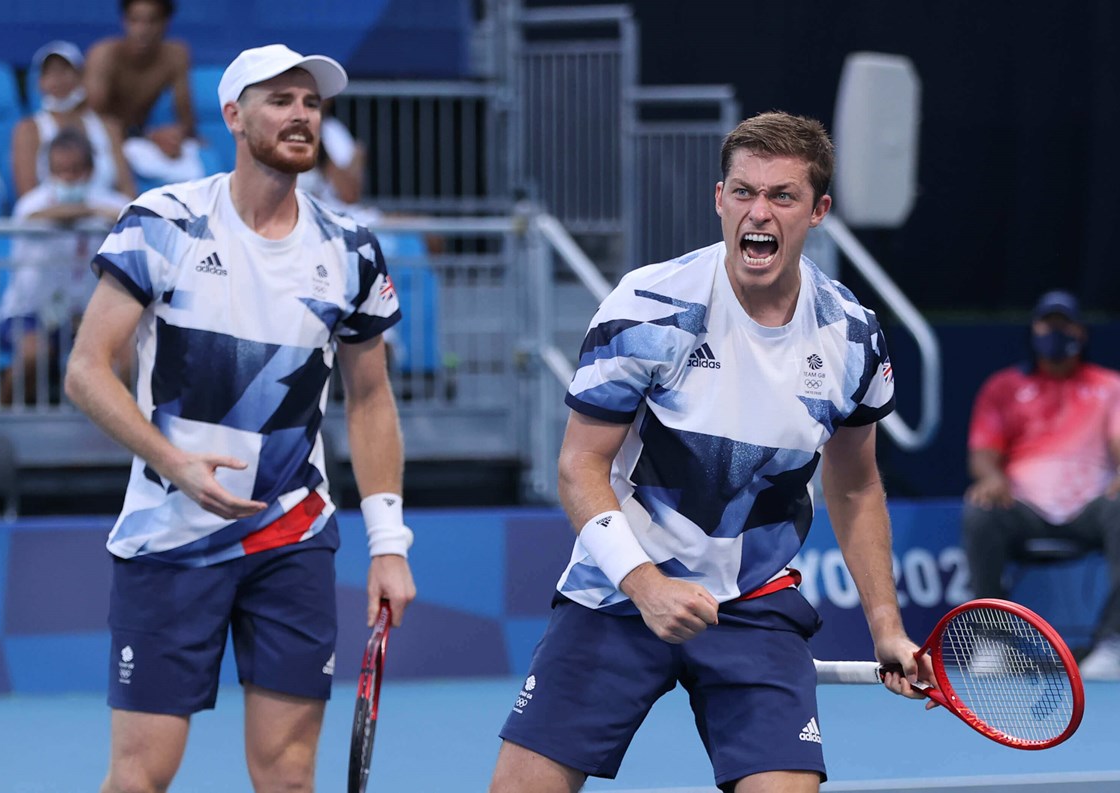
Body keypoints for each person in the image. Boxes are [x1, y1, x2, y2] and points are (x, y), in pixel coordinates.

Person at [488, 111, 930, 793]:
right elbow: (579, 467)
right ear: (718, 199)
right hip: (620, 589)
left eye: (783, 196)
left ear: (818, 211)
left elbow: (857, 486)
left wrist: (887, 627)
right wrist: (647, 586)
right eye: (744, 191)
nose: (760, 211)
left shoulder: (853, 337)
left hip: (754, 599)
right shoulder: (648, 306)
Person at [63, 43, 417, 792]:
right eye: (280, 100)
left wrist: (389, 542)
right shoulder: (165, 221)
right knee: (140, 776)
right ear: (233, 114)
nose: (300, 115)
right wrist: (175, 463)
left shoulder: (350, 249)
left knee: (288, 778)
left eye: (312, 104)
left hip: (290, 534)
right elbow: (87, 370)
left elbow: (373, 397)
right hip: (170, 536)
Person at [962, 289, 1120, 680]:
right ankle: (991, 639)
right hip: (1024, 508)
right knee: (980, 509)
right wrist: (992, 477)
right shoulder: (1004, 387)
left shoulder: (1109, 386)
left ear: (1080, 333)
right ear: (1034, 331)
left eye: (1064, 325)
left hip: (1092, 507)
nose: (1055, 332)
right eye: (1048, 324)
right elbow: (983, 454)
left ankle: (1112, 642)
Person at [0, 128, 131, 404]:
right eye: (60, 170)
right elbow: (33, 218)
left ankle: (109, 435)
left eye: (75, 170)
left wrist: (96, 211)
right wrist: (88, 212)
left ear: (92, 170)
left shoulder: (111, 202)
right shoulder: (31, 202)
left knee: (130, 357)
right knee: (34, 354)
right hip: (30, 312)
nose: (68, 177)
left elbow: (130, 216)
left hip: (89, 313)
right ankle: (3, 414)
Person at [83, 0, 205, 187]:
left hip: (138, 142)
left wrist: (174, 136)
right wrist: (149, 135)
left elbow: (187, 119)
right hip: (95, 146)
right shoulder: (104, 55)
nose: (143, 29)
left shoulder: (176, 55)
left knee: (195, 160)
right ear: (124, 21)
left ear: (166, 22)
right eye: (135, 20)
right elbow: (93, 122)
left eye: (152, 21)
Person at [11, 40, 135, 200]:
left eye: (64, 71)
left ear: (81, 76)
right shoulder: (27, 130)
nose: (57, 80)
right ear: (40, 82)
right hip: (47, 220)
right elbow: (27, 198)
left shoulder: (109, 127)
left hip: (104, 219)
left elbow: (127, 190)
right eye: (49, 73)